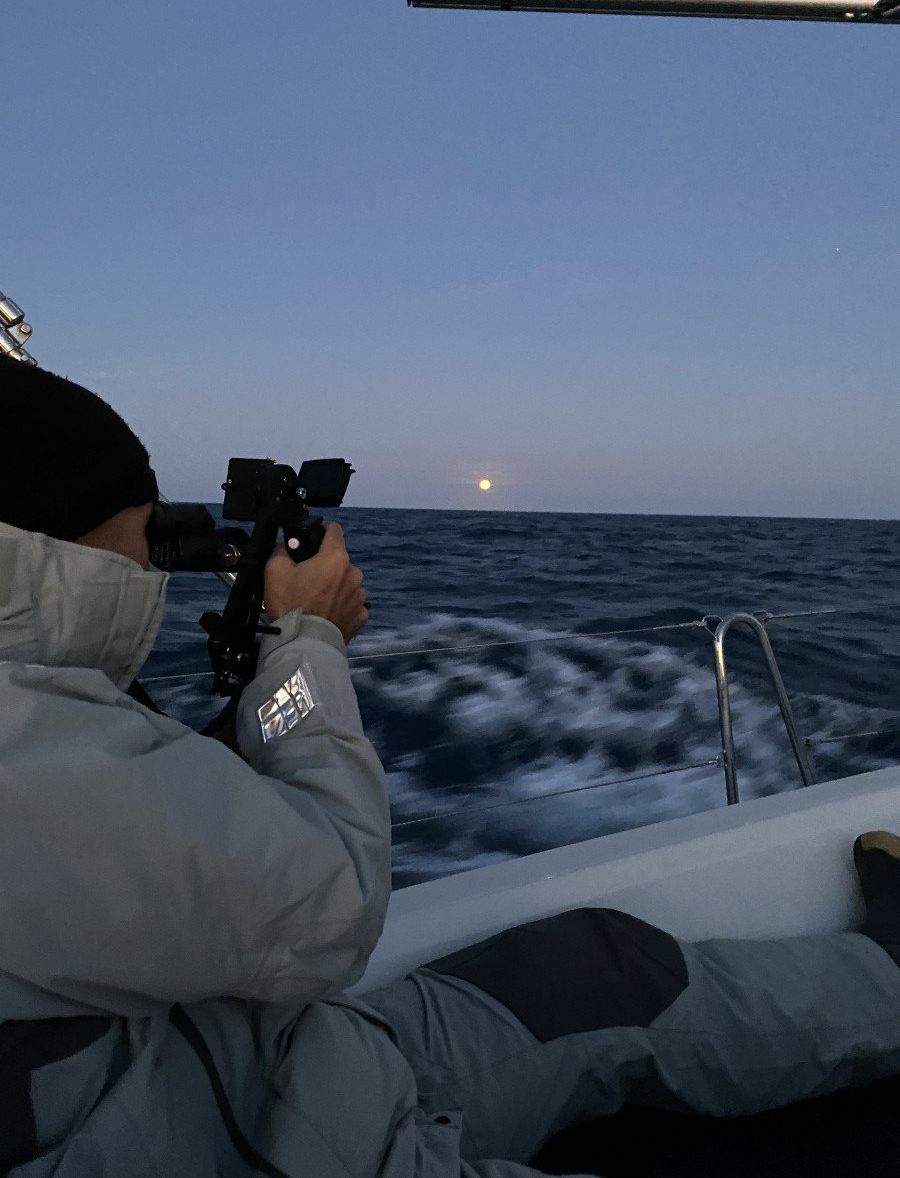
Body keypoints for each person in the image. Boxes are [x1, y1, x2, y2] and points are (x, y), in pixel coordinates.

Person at [0, 352, 898, 1178]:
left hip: (263, 1068)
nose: (155, 565)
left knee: (603, 968)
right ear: (50, 549)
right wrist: (306, 641)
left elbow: (188, 847)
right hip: (278, 1145)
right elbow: (327, 914)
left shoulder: (52, 730)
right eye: (139, 538)